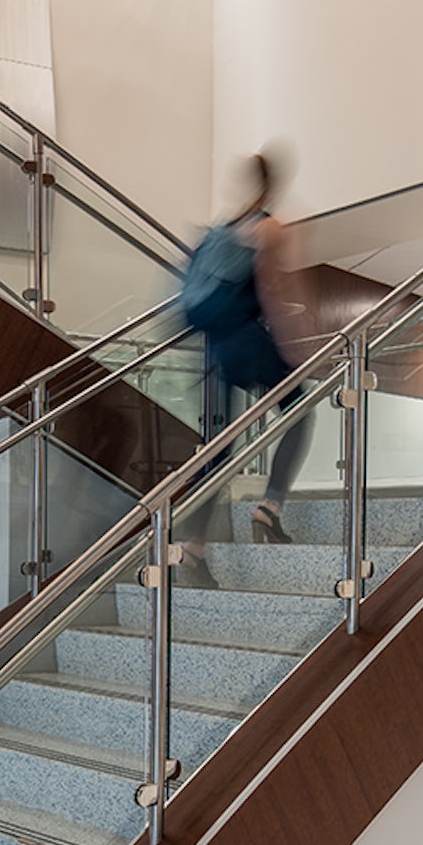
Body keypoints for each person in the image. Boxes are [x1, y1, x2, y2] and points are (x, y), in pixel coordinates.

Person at [177, 152, 318, 580]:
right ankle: (268, 508)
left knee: (220, 448)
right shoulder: (268, 227)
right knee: (299, 410)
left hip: (216, 348)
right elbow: (275, 291)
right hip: (247, 342)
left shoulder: (225, 225)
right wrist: (295, 350)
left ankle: (192, 549)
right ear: (273, 185)